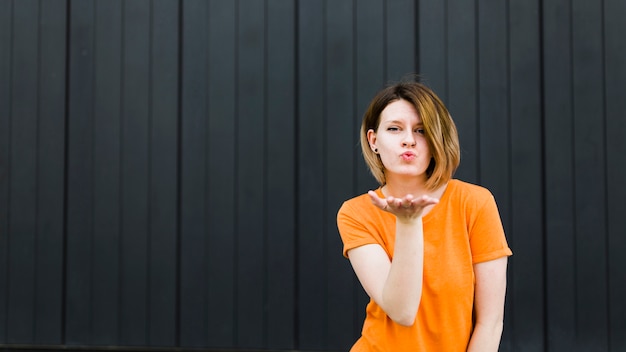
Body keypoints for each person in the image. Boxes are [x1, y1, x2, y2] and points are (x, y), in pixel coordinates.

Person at [337, 80, 512, 351]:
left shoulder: (475, 203)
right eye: (394, 129)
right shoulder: (356, 213)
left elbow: (490, 322)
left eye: (421, 130)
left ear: (436, 139)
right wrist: (408, 223)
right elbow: (402, 311)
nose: (408, 139)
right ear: (374, 141)